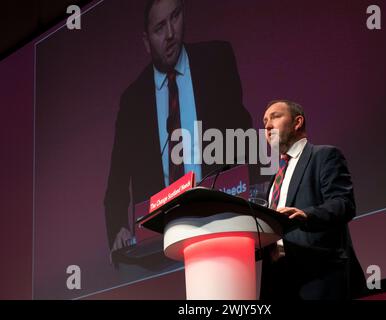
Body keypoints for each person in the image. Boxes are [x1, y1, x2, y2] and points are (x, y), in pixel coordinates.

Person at [104, 0, 252, 256]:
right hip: (162, 244)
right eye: (160, 27)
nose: (171, 33)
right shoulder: (133, 100)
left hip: (223, 227)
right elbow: (117, 183)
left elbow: (244, 139)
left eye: (175, 17)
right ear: (146, 41)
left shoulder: (216, 60)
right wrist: (119, 229)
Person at [260, 99, 366, 300]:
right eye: (265, 121)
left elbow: (343, 204)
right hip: (277, 281)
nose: (267, 126)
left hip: (318, 275)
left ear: (297, 122)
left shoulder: (324, 156)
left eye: (275, 117)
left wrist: (307, 215)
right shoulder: (275, 178)